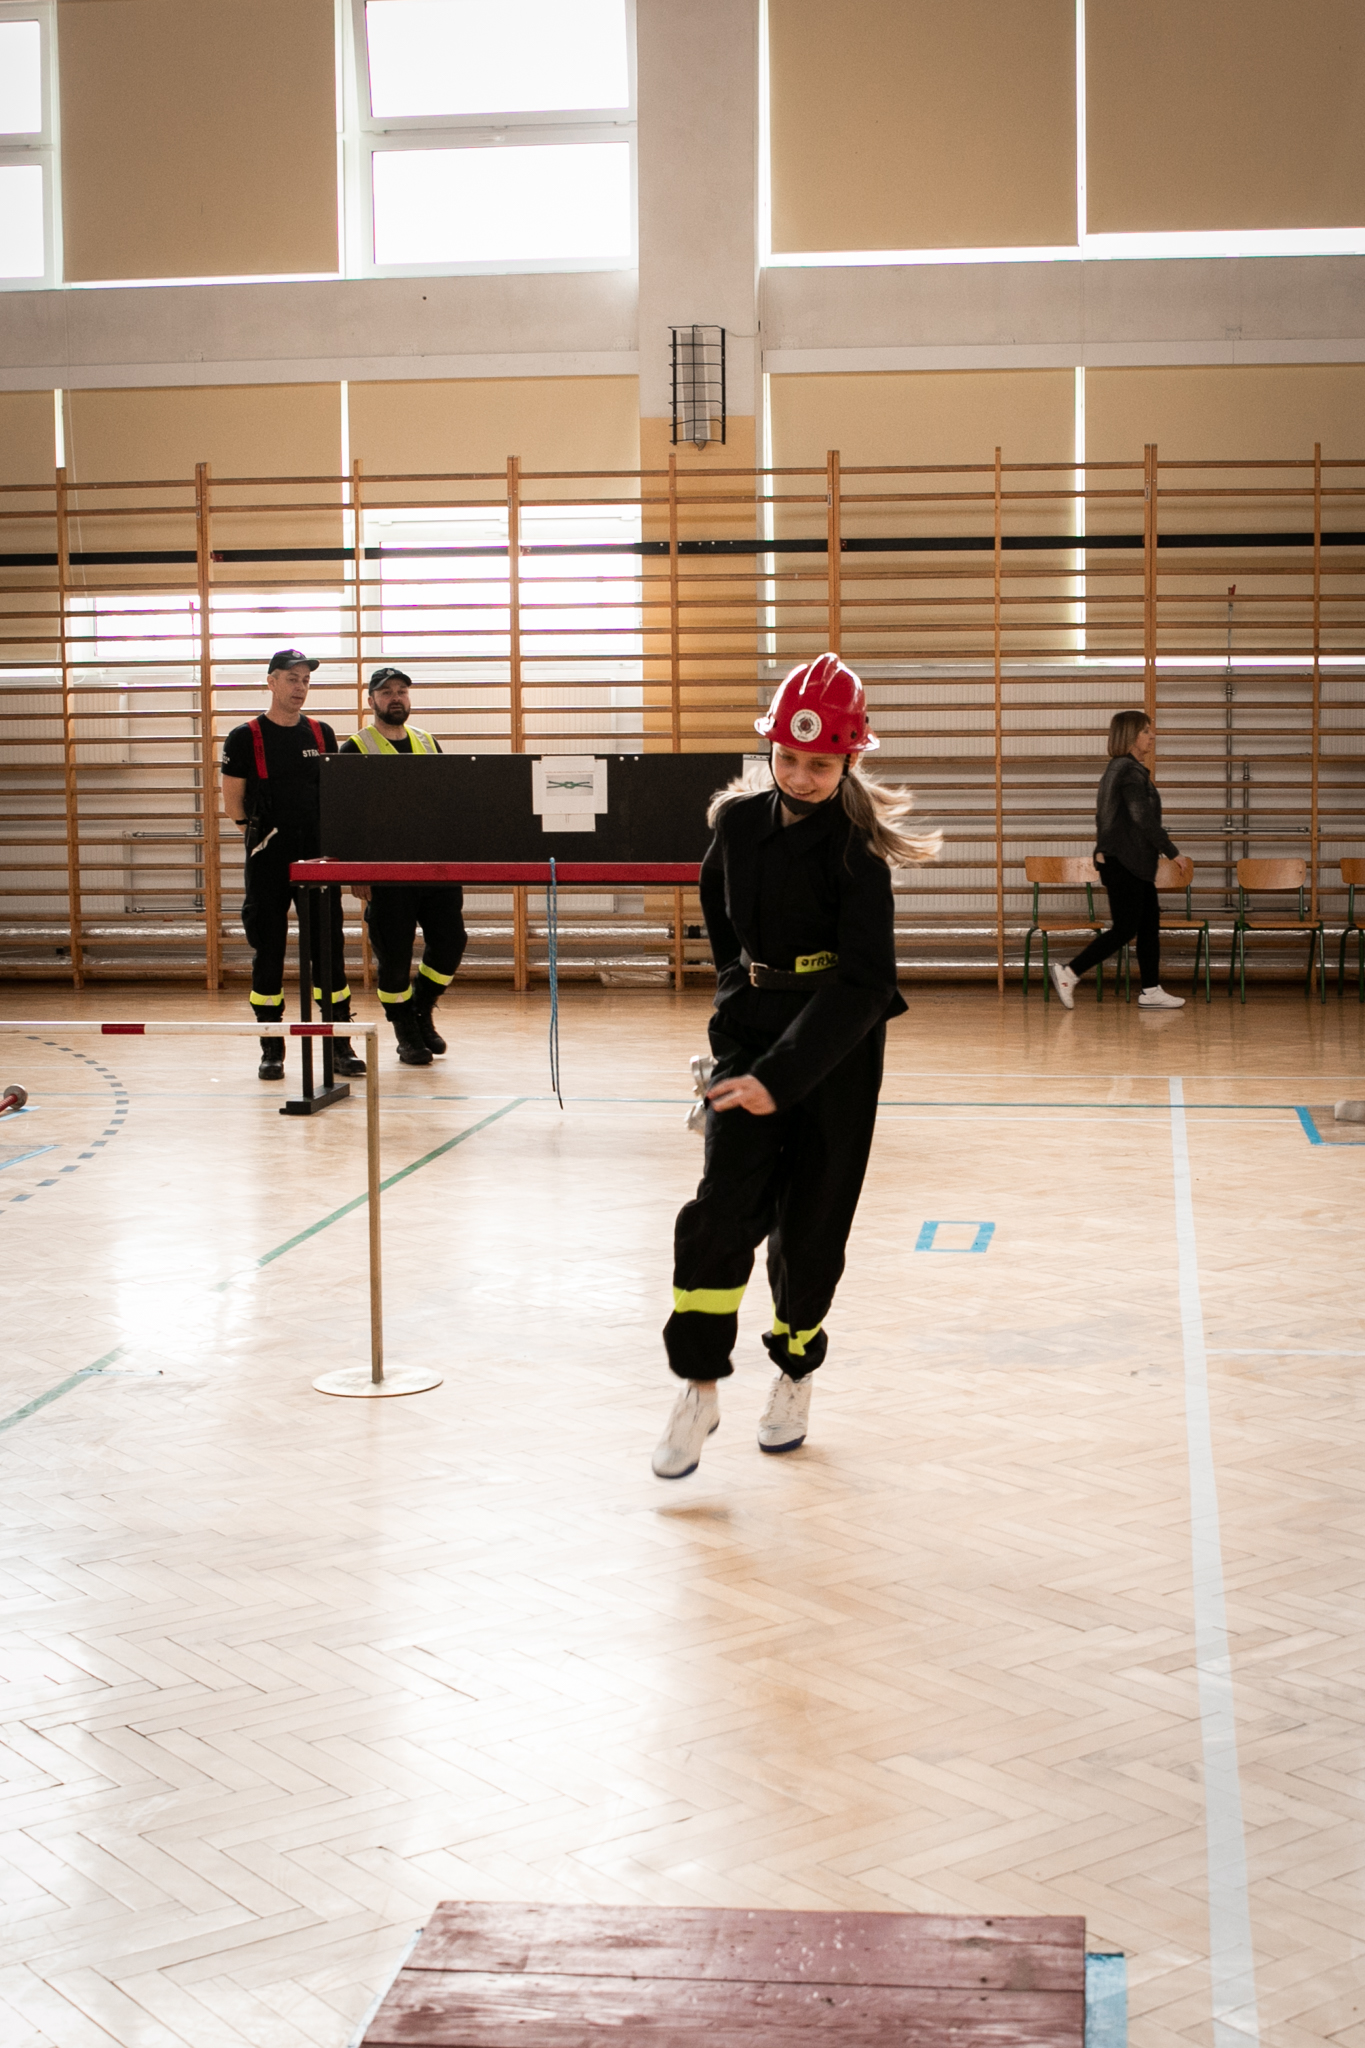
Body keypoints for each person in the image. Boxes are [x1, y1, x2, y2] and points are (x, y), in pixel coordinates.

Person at [652, 652, 940, 1480]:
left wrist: (779, 1077)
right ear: (769, 751)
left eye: (819, 763)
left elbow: (866, 985)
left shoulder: (856, 852)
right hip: (749, 1035)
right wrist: (734, 1016)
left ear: (848, 761)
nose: (801, 776)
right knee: (718, 1214)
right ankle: (698, 1387)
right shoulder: (737, 826)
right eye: (787, 758)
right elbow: (720, 925)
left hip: (832, 1052)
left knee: (809, 1235)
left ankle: (794, 1371)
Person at [220, 650, 365, 1080]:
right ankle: (271, 1047)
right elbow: (233, 804)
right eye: (291, 678)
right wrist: (261, 836)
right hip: (269, 857)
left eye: (305, 680)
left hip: (318, 857)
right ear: (271, 682)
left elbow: (337, 797)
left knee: (328, 951)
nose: (300, 687)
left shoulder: (322, 733)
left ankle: (339, 1043)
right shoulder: (244, 737)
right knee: (268, 949)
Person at [341, 667, 467, 1066]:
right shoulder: (355, 747)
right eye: (386, 692)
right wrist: (356, 872)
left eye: (402, 691)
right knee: (394, 959)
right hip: (387, 874)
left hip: (433, 868)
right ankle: (405, 1031)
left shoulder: (427, 742)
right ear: (371, 701)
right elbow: (346, 816)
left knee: (451, 943)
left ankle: (421, 1009)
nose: (395, 697)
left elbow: (447, 803)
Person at [1050, 710, 1188, 1012]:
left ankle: (1151, 990)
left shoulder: (1119, 770)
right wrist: (1172, 851)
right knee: (1126, 928)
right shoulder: (1128, 771)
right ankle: (1069, 973)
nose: (1152, 736)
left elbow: (1108, 818)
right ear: (1130, 736)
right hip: (1126, 861)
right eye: (1146, 731)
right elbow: (1142, 818)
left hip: (1129, 861)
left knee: (1148, 926)